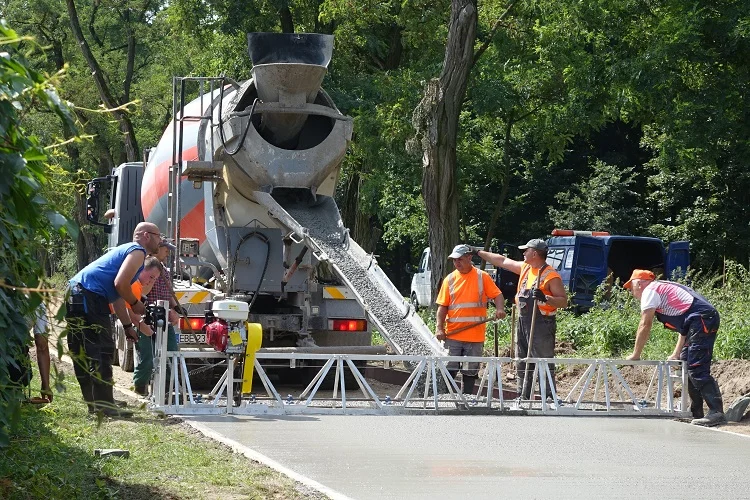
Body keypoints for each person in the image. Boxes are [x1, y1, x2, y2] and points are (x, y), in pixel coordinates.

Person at [65, 222, 162, 417]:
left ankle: (98, 403)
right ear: (146, 235)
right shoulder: (137, 252)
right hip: (88, 295)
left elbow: (116, 295)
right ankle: (104, 407)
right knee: (101, 350)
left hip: (77, 292)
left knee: (83, 351)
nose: (161, 241)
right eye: (159, 236)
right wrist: (135, 303)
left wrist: (127, 326)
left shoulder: (126, 252)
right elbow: (120, 285)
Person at [624, 269, 725, 426]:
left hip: (702, 320)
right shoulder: (661, 289)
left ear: (640, 283)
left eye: (631, 287)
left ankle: (716, 412)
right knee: (685, 364)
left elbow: (645, 323)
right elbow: (683, 327)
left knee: (696, 367)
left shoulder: (650, 291)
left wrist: (636, 354)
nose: (631, 292)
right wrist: (676, 352)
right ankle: (696, 412)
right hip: (698, 320)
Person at [476, 239, 568, 399]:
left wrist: (546, 298)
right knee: (522, 360)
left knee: (543, 361)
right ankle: (523, 395)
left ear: (535, 253)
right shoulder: (526, 268)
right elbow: (502, 261)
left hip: (542, 324)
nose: (523, 253)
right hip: (524, 321)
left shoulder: (551, 275)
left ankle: (549, 397)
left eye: (526, 250)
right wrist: (478, 252)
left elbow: (563, 301)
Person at [435, 244, 506, 395]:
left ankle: (466, 398)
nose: (457, 263)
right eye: (454, 260)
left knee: (470, 370)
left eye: (460, 259)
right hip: (453, 335)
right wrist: (439, 328)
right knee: (450, 368)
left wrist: (500, 309)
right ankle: (447, 398)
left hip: (474, 336)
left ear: (469, 257)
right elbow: (442, 307)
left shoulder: (482, 277)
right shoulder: (450, 279)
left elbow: (497, 295)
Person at [109, 256, 163, 396]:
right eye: (150, 277)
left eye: (154, 279)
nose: (151, 281)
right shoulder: (133, 285)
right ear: (141, 269)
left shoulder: (138, 286)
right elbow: (132, 316)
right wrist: (150, 333)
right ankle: (139, 390)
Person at [133, 240, 181, 396]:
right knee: (147, 358)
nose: (168, 252)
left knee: (171, 355)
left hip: (164, 320)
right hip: (145, 318)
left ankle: (167, 390)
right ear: (157, 248)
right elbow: (142, 292)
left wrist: (175, 309)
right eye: (165, 249)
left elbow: (168, 293)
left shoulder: (164, 271)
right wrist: (152, 278)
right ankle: (140, 387)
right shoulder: (144, 269)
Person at [33, 301, 52, 402]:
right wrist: (46, 385)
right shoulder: (38, 304)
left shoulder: (38, 305)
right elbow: (42, 347)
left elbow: (41, 346)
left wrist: (46, 384)